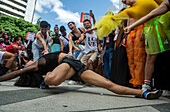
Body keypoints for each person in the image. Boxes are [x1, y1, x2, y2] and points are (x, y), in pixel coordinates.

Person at [0, 52, 162, 99]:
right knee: (52, 79)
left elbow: (17, 72)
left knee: (107, 84)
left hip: (71, 63)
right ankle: (143, 93)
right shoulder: (35, 66)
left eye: (26, 63)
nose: (27, 63)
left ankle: (143, 92)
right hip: (71, 70)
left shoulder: (39, 63)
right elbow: (18, 72)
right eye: (27, 64)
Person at [124, 0, 170, 90]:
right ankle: (146, 84)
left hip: (163, 25)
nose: (123, 1)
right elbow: (150, 14)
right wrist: (131, 27)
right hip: (153, 27)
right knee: (149, 55)